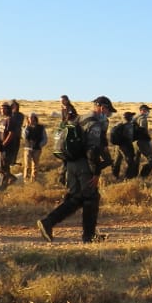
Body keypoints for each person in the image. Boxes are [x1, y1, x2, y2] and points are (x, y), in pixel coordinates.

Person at [36, 96, 115, 244]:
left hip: (70, 164)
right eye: (107, 111)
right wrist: (96, 172)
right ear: (102, 107)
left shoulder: (79, 119)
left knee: (78, 197)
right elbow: (92, 150)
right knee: (91, 197)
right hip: (84, 164)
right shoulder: (94, 124)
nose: (107, 114)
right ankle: (85, 235)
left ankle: (54, 223)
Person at [0, 100, 23, 186]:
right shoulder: (2, 120)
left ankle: (11, 180)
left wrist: (4, 144)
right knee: (0, 167)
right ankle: (4, 183)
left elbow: (11, 133)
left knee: (4, 167)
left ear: (8, 109)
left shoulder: (10, 120)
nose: (2, 110)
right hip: (1, 146)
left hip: (8, 147)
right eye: (1, 109)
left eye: (4, 109)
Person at [109, 111, 138, 180]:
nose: (132, 118)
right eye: (131, 116)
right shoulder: (128, 125)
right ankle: (128, 177)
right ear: (129, 117)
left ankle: (115, 176)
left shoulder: (118, 123)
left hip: (118, 146)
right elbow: (129, 137)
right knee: (130, 162)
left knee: (117, 161)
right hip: (126, 146)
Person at [22, 113, 47, 182]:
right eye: (29, 118)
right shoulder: (25, 127)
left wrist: (40, 145)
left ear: (35, 118)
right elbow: (24, 136)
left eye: (32, 117)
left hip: (37, 149)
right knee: (27, 165)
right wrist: (26, 127)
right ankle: (26, 180)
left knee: (35, 166)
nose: (31, 119)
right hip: (27, 148)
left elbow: (45, 138)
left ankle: (33, 181)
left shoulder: (41, 127)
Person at [133, 104, 152, 177]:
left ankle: (133, 176)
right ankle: (143, 175)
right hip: (142, 142)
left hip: (134, 142)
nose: (148, 112)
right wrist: (148, 140)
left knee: (136, 160)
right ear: (142, 111)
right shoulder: (143, 119)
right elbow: (142, 131)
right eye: (147, 110)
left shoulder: (134, 118)